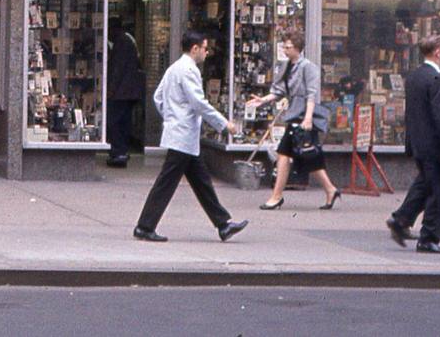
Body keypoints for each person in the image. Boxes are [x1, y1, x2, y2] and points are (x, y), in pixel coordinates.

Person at [134, 30, 248, 243]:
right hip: (183, 135)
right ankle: (144, 226)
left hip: (181, 134)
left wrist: (170, 116)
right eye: (205, 48)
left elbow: (158, 97)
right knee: (167, 183)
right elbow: (198, 103)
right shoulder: (189, 70)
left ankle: (223, 224)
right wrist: (224, 124)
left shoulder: (173, 68)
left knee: (201, 181)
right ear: (195, 48)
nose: (207, 52)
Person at [247, 33, 339, 210]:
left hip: (303, 116)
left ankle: (276, 196)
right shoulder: (287, 67)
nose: (285, 49)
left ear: (298, 48)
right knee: (307, 155)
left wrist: (308, 118)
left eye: (288, 46)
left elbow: (312, 94)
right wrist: (262, 100)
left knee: (289, 154)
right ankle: (330, 189)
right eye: (284, 46)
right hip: (295, 114)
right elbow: (279, 91)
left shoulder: (308, 67)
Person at [387, 35, 440, 254]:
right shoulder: (436, 79)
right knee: (439, 194)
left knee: (424, 185)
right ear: (437, 51)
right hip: (435, 147)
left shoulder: (415, 76)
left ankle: (401, 220)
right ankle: (429, 238)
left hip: (419, 144)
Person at [106, 27, 144, 167]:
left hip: (121, 92)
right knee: (123, 121)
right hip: (128, 92)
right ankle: (121, 151)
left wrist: (111, 89)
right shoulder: (128, 41)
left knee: (115, 121)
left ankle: (118, 151)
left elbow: (118, 69)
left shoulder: (121, 43)